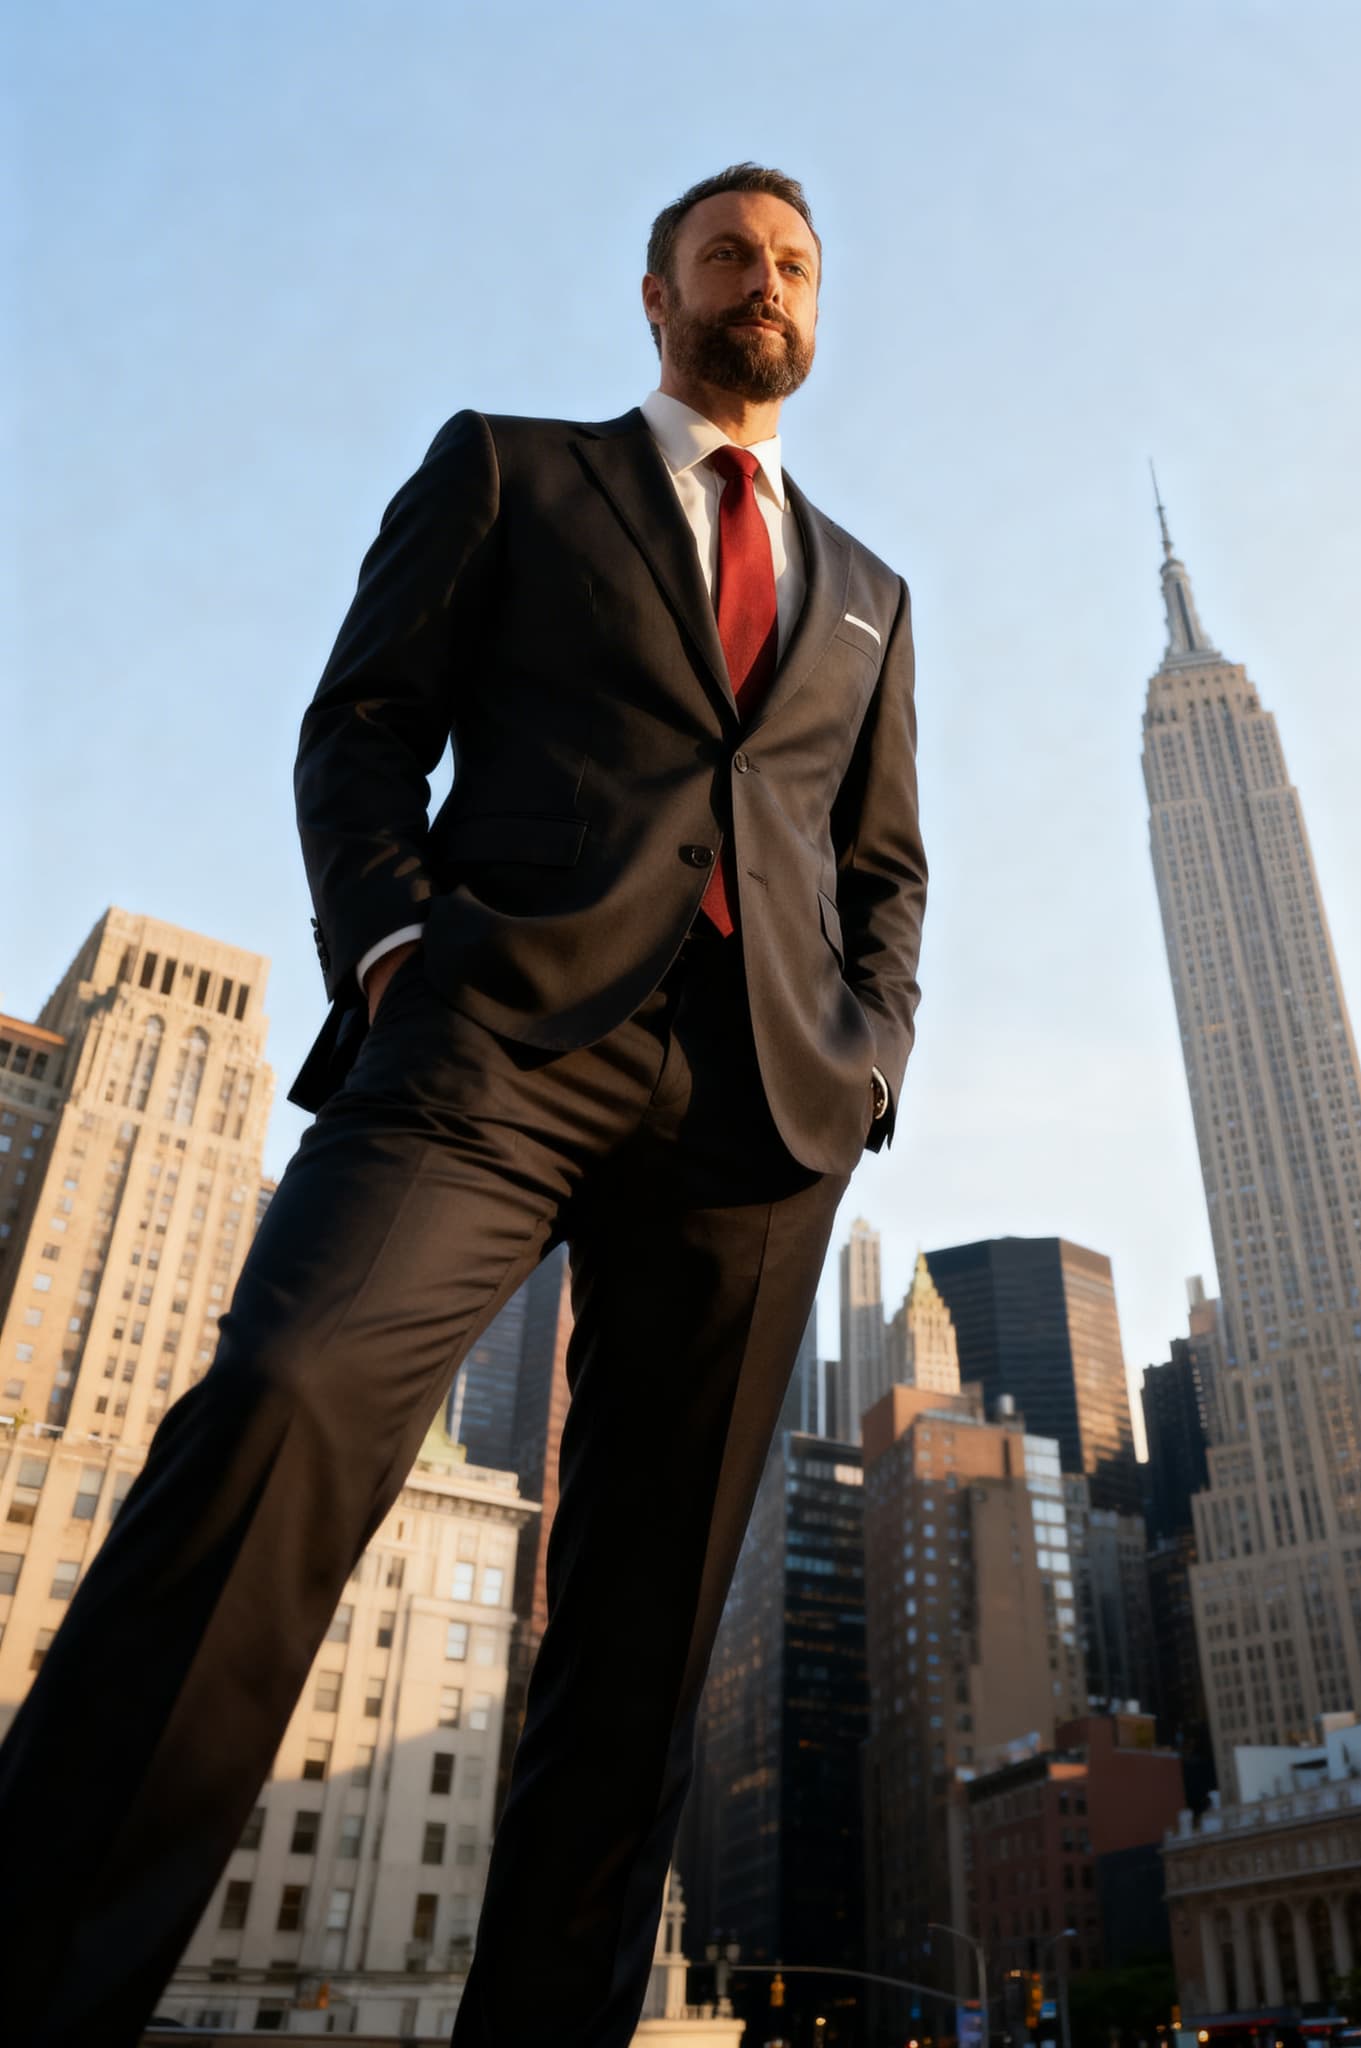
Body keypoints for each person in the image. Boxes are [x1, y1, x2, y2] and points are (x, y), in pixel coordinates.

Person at [0, 162, 924, 2046]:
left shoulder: (873, 597)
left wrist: (874, 1053)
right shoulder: (512, 467)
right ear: (656, 294)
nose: (764, 282)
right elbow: (361, 725)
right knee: (284, 1397)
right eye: (728, 255)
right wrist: (393, 950)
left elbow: (883, 863)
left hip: (760, 1112)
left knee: (647, 1630)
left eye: (794, 264)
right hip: (493, 1040)